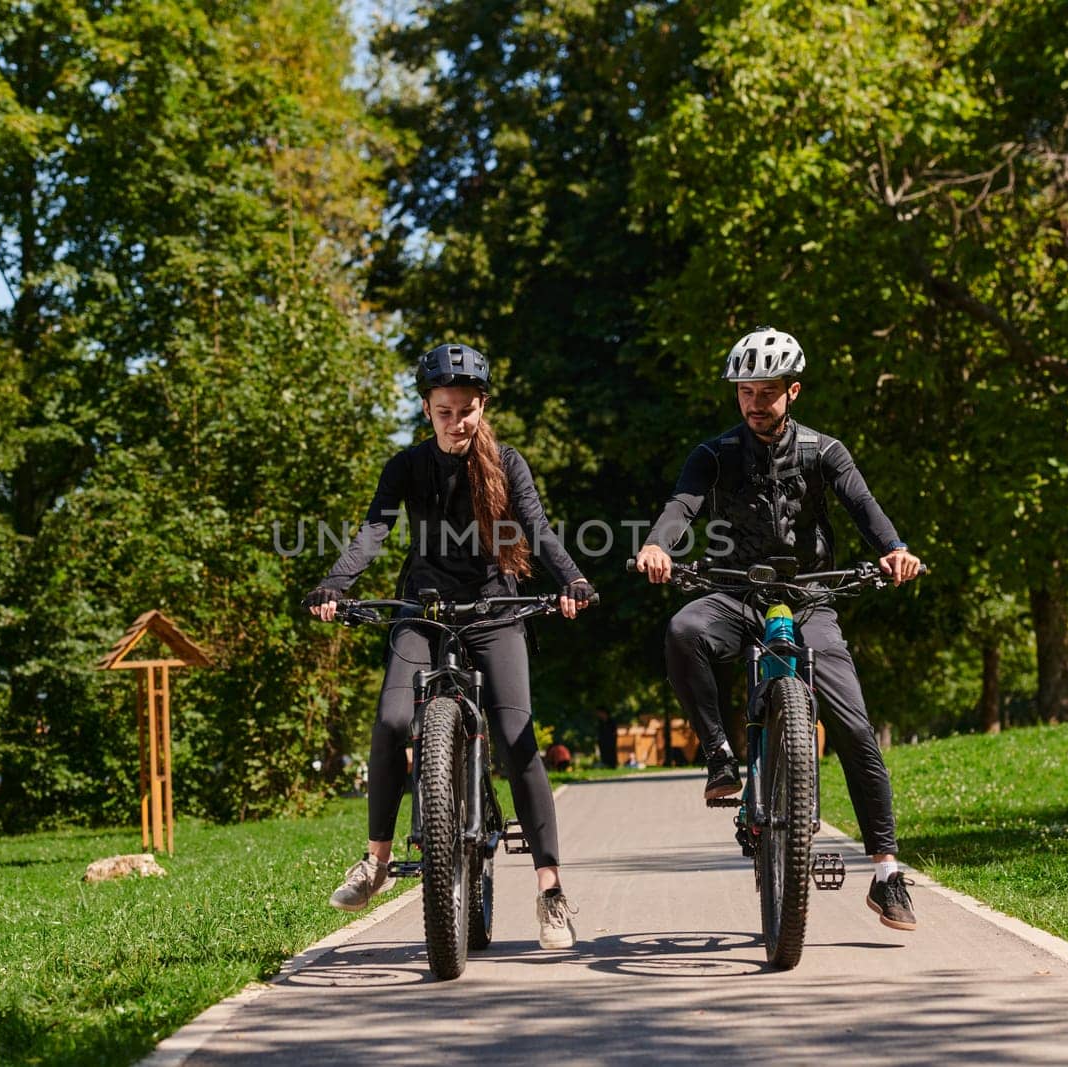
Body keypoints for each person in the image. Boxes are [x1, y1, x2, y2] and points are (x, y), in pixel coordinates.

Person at [633, 325, 925, 932]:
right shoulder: (713, 453)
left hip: (809, 599)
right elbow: (681, 507)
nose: (755, 403)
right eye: (745, 391)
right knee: (684, 630)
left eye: (767, 392)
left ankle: (886, 873)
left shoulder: (826, 452)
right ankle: (719, 756)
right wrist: (658, 547)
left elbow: (864, 508)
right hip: (734, 594)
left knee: (854, 728)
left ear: (793, 392)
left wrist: (894, 548)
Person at [305, 342, 595, 950]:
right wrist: (336, 582)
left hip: (494, 611)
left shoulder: (508, 464)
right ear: (427, 410)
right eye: (445, 411)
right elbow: (373, 531)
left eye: (466, 410)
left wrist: (571, 578)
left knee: (517, 741)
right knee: (389, 722)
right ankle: (377, 861)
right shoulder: (406, 467)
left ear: (482, 406)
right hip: (424, 610)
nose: (457, 421)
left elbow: (537, 530)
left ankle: (550, 892)